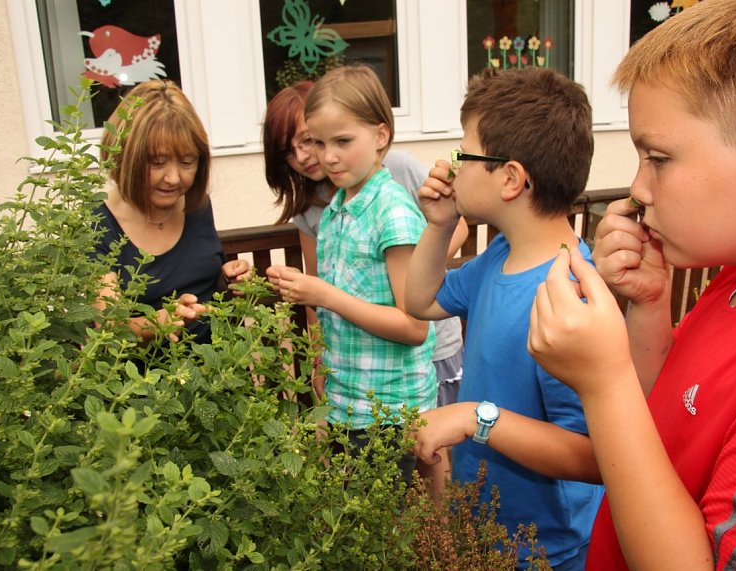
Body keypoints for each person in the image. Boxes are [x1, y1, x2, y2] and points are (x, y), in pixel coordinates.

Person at [526, 1, 736, 569]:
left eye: (658, 158)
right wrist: (648, 306)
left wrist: (602, 382)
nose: (638, 188)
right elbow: (662, 424)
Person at [406, 67, 604, 570]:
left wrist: (475, 417)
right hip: (488, 528)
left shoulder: (567, 295)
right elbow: (420, 300)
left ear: (511, 178)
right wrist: (440, 224)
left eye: (464, 154)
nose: (452, 167)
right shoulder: (500, 255)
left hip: (547, 549)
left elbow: (592, 456)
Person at [262, 79, 467, 496]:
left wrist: (322, 294)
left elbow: (414, 326)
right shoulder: (338, 208)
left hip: (390, 413)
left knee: (392, 532)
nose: (327, 156)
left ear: (380, 136)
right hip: (351, 405)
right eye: (318, 142)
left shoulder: (393, 212)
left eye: (342, 140)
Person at [93, 79, 250, 345]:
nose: (174, 178)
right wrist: (162, 321)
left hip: (219, 376)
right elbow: (108, 327)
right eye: (157, 162)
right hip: (146, 384)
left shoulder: (197, 205)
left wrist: (230, 278)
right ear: (125, 157)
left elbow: (208, 283)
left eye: (187, 162)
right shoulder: (97, 224)